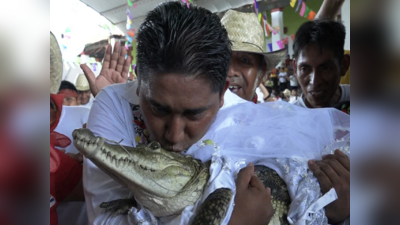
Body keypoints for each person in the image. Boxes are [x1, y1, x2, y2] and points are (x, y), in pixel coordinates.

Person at [83, 3, 350, 225]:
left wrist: (333, 209)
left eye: (194, 114)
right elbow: (106, 219)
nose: (174, 136)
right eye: (159, 108)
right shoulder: (114, 103)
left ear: (223, 94)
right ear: (139, 80)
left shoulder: (248, 120)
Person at [222, 10, 285, 103]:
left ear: (261, 74)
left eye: (244, 60)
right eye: (223, 59)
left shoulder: (271, 116)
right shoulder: (198, 115)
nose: (230, 72)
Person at [292, 20, 350, 112]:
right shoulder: (288, 120)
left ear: (344, 65)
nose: (315, 82)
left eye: (325, 68)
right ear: (295, 69)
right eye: (305, 69)